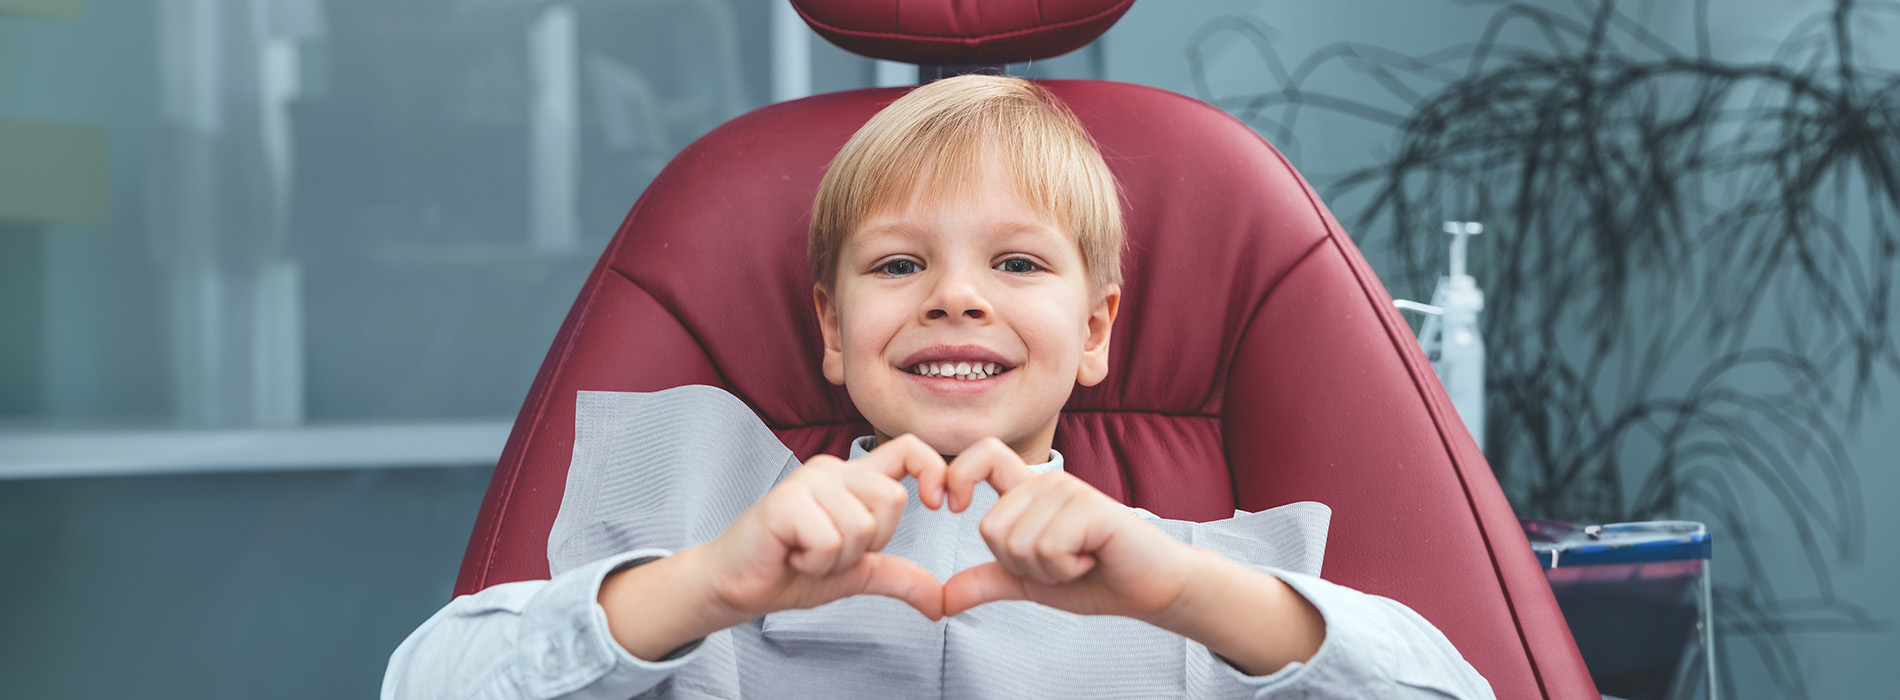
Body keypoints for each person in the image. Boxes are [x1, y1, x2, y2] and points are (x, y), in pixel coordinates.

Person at [383, 74, 1495, 699]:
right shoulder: (703, 539)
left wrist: (1185, 591)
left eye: (1015, 264)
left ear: (1098, 328)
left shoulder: (1185, 585)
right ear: (830, 326)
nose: (955, 299)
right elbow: (427, 684)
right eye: (899, 265)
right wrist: (709, 584)